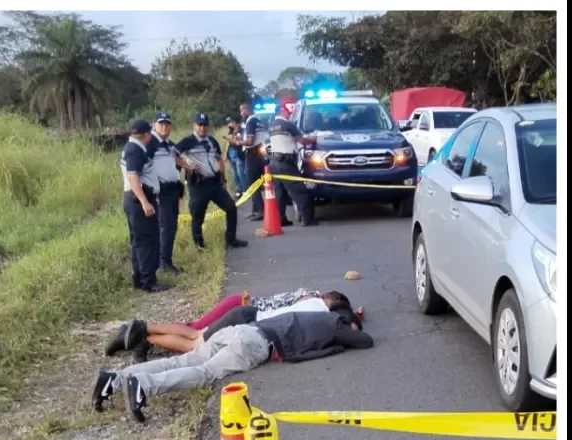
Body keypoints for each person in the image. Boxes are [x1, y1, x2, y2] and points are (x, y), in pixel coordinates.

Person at [92, 310, 374, 421]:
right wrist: (348, 329)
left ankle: (115, 379)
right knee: (205, 374)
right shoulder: (335, 323)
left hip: (239, 330)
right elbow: (365, 341)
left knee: (186, 360)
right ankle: (142, 386)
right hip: (254, 345)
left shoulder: (309, 315)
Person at [122, 291, 366, 359]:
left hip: (248, 313)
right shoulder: (323, 312)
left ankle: (146, 329)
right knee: (195, 344)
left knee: (197, 332)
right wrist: (353, 318)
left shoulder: (310, 300)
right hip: (248, 321)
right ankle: (146, 335)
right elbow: (348, 329)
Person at [175, 112, 248, 250]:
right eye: (199, 125)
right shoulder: (187, 142)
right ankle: (199, 245)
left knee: (231, 208)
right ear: (194, 125)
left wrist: (222, 176)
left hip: (214, 183)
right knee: (198, 216)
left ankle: (231, 239)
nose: (202, 128)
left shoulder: (212, 141)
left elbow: (219, 158)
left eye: (205, 125)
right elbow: (172, 155)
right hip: (198, 184)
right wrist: (187, 165)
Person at [119, 119, 172, 293]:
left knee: (138, 241)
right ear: (147, 134)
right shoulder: (135, 150)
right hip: (138, 200)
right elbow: (134, 177)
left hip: (135, 199)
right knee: (147, 242)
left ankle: (140, 278)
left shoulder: (133, 148)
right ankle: (148, 281)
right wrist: (144, 202)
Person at [267, 101, 320, 226]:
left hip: (274, 162)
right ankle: (307, 219)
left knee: (280, 192)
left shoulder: (271, 125)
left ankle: (281, 219)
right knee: (299, 190)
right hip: (286, 162)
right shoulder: (288, 125)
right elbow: (301, 140)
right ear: (282, 112)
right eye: (288, 112)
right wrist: (314, 138)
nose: (289, 114)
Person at [148, 112, 185, 275]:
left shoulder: (168, 144)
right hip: (159, 192)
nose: (164, 126)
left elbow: (175, 161)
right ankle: (164, 264)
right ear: (154, 124)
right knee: (166, 227)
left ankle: (166, 261)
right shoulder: (150, 143)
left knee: (171, 226)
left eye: (167, 124)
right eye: (161, 123)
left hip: (172, 190)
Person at [231, 103, 269, 221]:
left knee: (253, 184)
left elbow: (250, 141)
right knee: (257, 182)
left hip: (252, 154)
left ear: (246, 110)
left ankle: (260, 211)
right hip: (260, 153)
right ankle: (255, 210)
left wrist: (238, 142)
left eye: (242, 111)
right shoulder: (258, 121)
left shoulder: (250, 122)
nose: (241, 114)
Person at [224, 116, 248, 197]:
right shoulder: (230, 132)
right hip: (231, 153)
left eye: (230, 122)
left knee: (241, 173)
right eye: (227, 123)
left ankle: (245, 190)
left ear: (234, 122)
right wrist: (225, 154)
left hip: (238, 153)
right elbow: (228, 143)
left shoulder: (242, 130)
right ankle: (239, 189)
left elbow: (244, 141)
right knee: (235, 174)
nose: (228, 124)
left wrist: (236, 139)